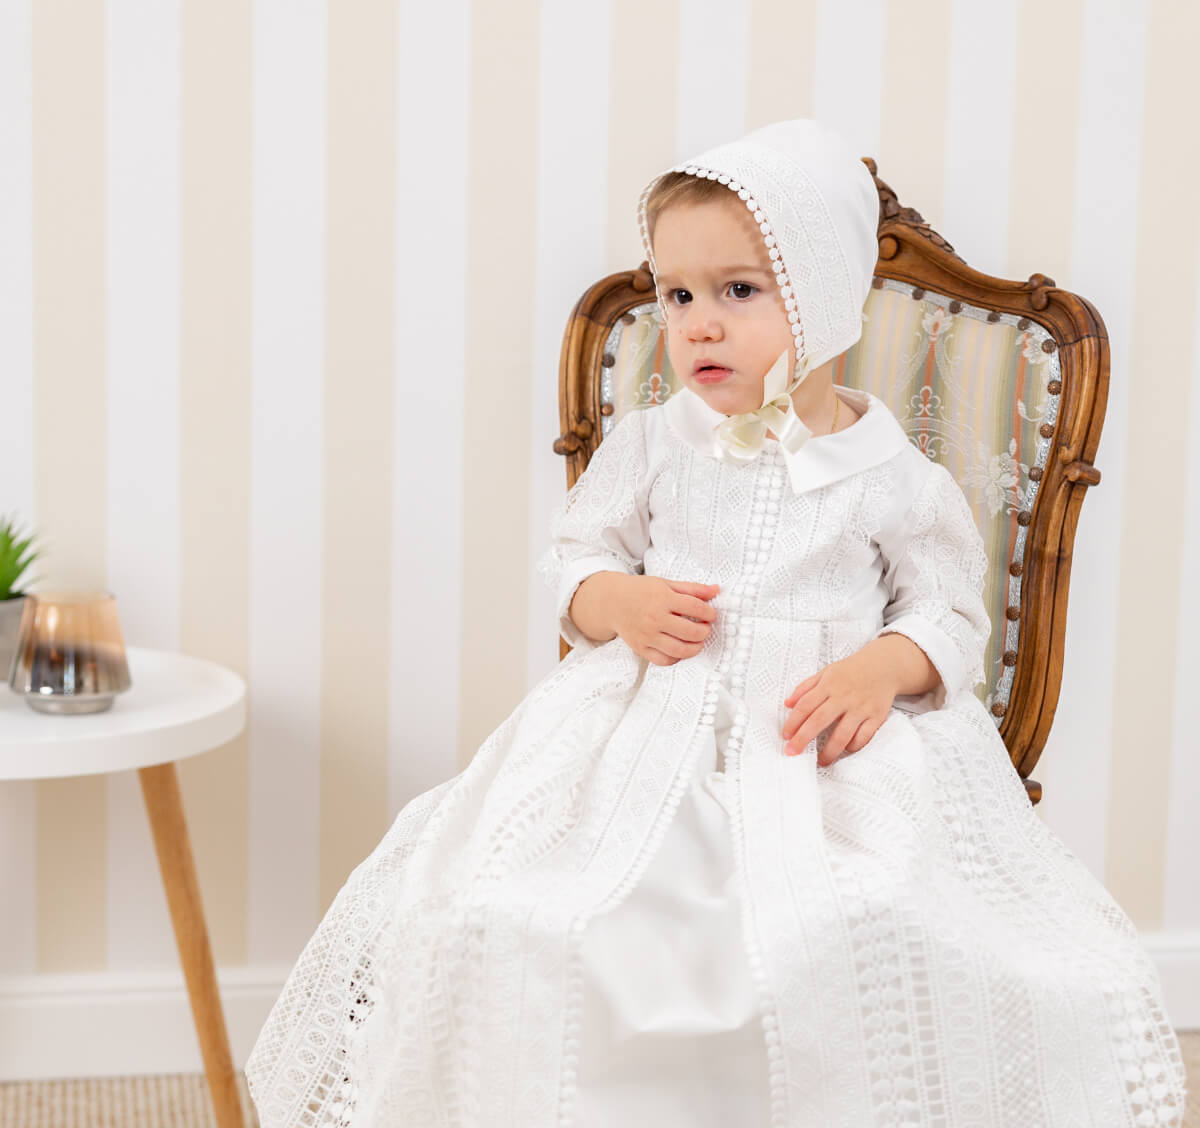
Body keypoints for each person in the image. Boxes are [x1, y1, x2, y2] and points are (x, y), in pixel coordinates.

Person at [246, 120, 1185, 1127]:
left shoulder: (892, 476)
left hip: (818, 741)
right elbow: (575, 557)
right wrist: (618, 603)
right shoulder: (654, 443)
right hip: (647, 723)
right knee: (517, 906)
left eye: (739, 291)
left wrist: (885, 667)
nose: (696, 322)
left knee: (849, 921)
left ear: (823, 295)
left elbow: (951, 612)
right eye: (677, 294)